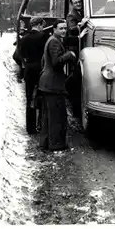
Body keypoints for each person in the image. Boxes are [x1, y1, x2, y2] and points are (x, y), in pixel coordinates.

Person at [38, 20, 76, 150]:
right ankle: (56, 145)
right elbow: (56, 62)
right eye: (61, 28)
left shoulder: (53, 39)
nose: (64, 31)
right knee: (56, 116)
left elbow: (45, 61)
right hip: (52, 84)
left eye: (65, 28)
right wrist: (69, 55)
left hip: (48, 83)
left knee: (48, 116)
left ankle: (45, 143)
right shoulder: (54, 41)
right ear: (54, 29)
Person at [18, 16, 52, 134]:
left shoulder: (24, 38)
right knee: (43, 98)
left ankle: (30, 128)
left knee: (30, 99)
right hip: (42, 71)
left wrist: (25, 64)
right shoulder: (44, 37)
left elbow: (17, 55)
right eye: (42, 25)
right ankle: (42, 126)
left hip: (29, 70)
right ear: (39, 25)